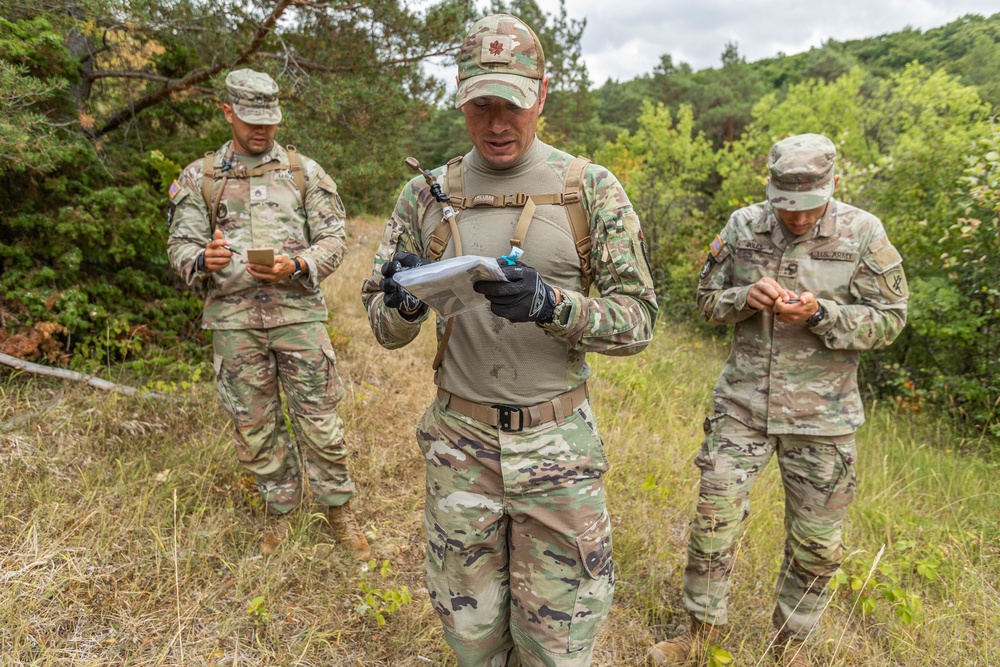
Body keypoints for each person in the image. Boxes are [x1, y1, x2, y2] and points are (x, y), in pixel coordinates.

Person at [361, 14, 657, 666]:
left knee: (555, 646)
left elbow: (638, 319)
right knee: (472, 641)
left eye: (512, 105)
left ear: (542, 95)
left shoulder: (589, 189)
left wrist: (553, 305)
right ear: (461, 98)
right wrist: (404, 301)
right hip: (459, 447)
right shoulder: (426, 197)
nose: (497, 123)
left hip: (559, 452)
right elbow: (380, 327)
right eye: (481, 105)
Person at [649, 133, 908, 667]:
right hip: (743, 405)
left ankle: (790, 645)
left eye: (808, 207)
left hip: (824, 416)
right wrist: (743, 299)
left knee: (816, 542)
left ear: (834, 185)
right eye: (785, 206)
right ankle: (696, 634)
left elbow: (891, 320)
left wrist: (822, 315)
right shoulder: (743, 226)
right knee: (714, 520)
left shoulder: (863, 233)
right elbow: (703, 300)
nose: (795, 218)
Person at [167, 68, 370, 560]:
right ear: (227, 112)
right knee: (254, 425)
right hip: (234, 324)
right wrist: (201, 261)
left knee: (319, 420)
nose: (262, 131)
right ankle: (281, 511)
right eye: (251, 120)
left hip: (298, 317)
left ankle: (339, 511)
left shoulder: (304, 173)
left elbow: (333, 241)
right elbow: (180, 245)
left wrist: (297, 263)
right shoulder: (201, 177)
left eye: (270, 121)